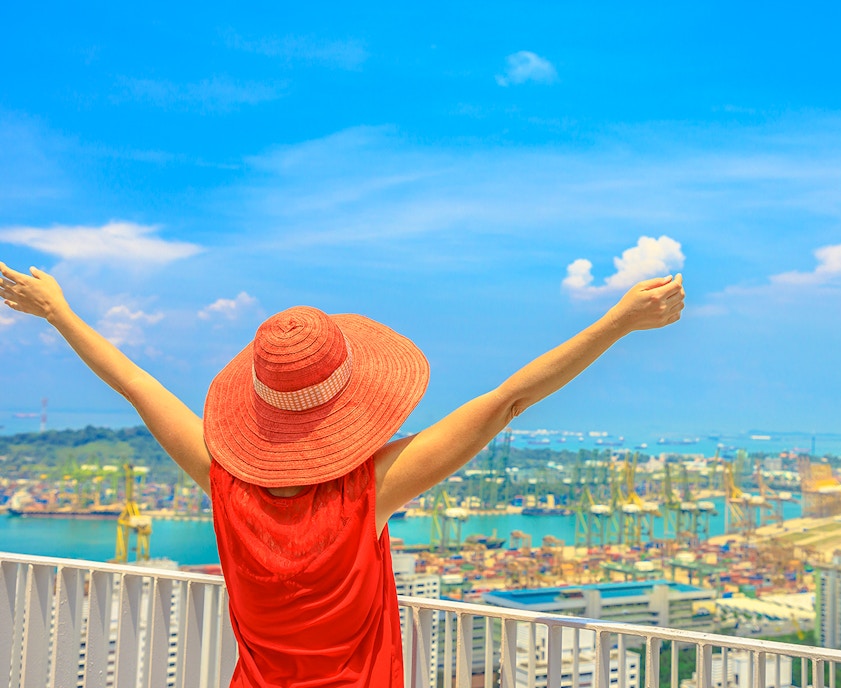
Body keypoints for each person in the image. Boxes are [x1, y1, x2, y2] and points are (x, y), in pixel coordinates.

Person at [0, 261, 684, 687]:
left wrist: (56, 311)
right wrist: (618, 321)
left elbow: (136, 385)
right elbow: (506, 401)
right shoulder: (370, 490)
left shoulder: (222, 479)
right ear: (350, 405)